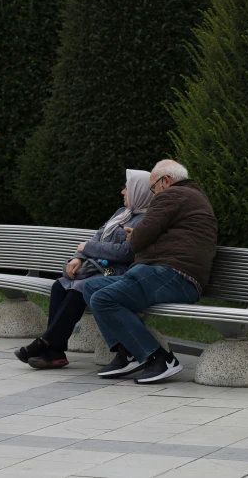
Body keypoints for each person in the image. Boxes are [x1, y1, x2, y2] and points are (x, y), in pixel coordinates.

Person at [82, 159, 218, 384]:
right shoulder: (189, 197)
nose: (153, 194)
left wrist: (132, 235)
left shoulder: (172, 195)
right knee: (92, 286)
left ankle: (160, 359)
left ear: (166, 181)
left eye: (152, 188)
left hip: (175, 276)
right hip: (165, 274)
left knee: (104, 298)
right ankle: (127, 353)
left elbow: (139, 239)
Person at [14, 169, 153, 369]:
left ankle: (45, 342)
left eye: (127, 188)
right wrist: (79, 257)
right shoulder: (121, 214)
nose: (122, 192)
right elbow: (97, 236)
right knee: (60, 286)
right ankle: (55, 351)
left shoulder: (145, 220)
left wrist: (86, 248)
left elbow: (126, 253)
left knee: (77, 290)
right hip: (96, 268)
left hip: (116, 273)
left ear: (140, 191)